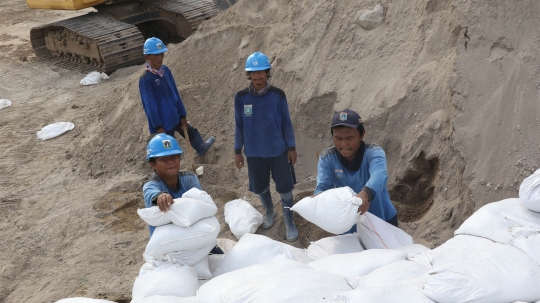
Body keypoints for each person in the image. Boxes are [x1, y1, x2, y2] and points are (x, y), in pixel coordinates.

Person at [233, 52, 299, 242]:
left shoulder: (278, 95)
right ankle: (270, 211)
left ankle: (289, 220)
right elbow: (239, 125)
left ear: (267, 72)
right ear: (249, 75)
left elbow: (286, 122)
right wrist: (238, 151)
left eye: (261, 72)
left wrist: (291, 146)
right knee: (261, 187)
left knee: (285, 189)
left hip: (278, 151)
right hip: (254, 153)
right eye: (253, 73)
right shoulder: (241, 97)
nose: (258, 76)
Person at [314, 108, 398, 233]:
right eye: (338, 138)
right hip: (350, 225)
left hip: (382, 218)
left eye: (349, 138)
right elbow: (323, 186)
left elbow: (379, 176)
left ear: (362, 134)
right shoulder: (327, 158)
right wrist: (318, 198)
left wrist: (364, 194)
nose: (344, 144)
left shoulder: (374, 153)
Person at [143, 133, 223, 254]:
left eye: (174, 157)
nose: (170, 162)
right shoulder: (151, 185)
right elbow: (152, 194)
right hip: (168, 245)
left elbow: (201, 206)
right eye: (164, 159)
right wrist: (161, 196)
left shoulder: (189, 178)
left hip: (194, 235)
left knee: (217, 257)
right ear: (152, 163)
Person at [139, 37, 215, 155]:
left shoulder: (166, 70)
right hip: (163, 123)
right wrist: (158, 127)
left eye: (161, 54)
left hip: (175, 115)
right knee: (167, 149)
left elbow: (175, 92)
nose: (160, 58)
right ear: (147, 57)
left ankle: (201, 148)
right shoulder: (146, 80)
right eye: (156, 55)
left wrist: (182, 114)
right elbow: (150, 107)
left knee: (190, 132)